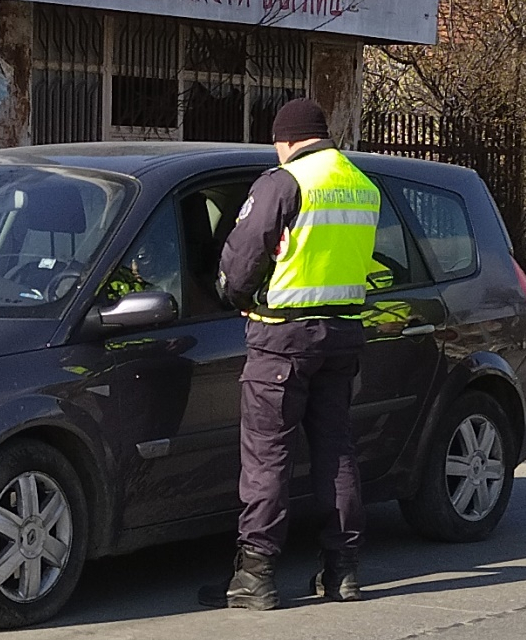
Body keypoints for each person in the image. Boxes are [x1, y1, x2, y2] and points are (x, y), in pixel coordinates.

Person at [197, 98, 380, 610]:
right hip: (342, 332)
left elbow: (242, 258)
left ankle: (256, 576)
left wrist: (236, 296)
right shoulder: (362, 185)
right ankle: (343, 572)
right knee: (336, 450)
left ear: (286, 138)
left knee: (268, 456)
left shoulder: (284, 182)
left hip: (282, 339)